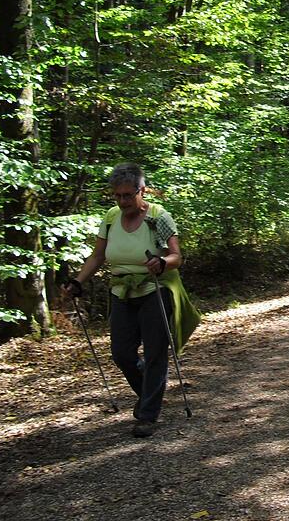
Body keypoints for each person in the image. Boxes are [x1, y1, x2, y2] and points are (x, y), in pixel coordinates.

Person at [66, 162, 200, 438]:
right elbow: (98, 256)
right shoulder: (111, 217)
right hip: (121, 292)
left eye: (128, 195)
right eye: (117, 195)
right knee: (122, 354)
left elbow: (176, 256)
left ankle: (148, 415)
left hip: (155, 288)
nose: (122, 201)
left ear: (142, 191)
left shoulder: (158, 216)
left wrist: (162, 262)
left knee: (155, 354)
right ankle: (150, 393)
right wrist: (78, 281)